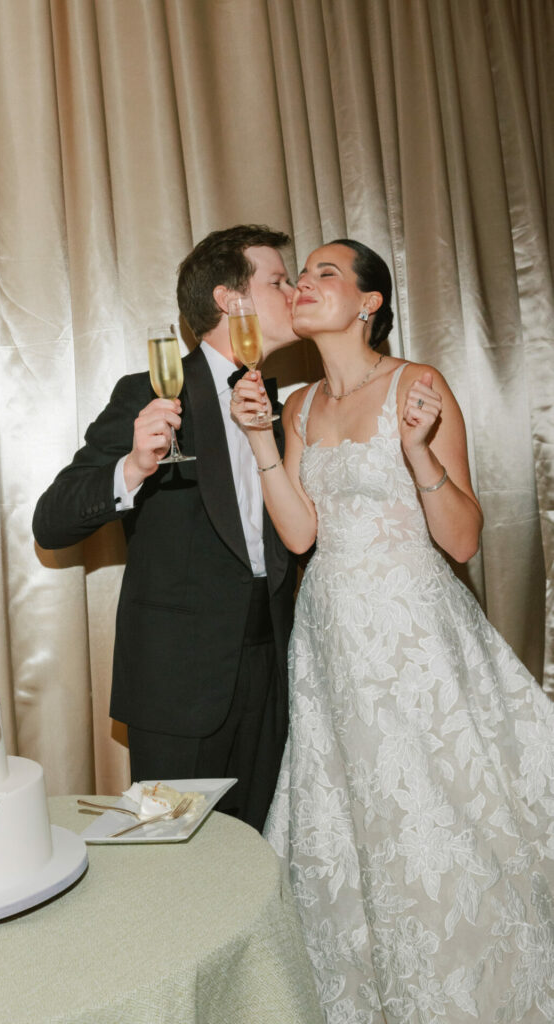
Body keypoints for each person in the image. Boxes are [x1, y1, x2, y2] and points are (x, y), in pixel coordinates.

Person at [232, 239, 554, 1022]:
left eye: (325, 275)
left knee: (439, 805)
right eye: (299, 276)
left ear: (369, 303)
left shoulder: (418, 383)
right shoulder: (299, 403)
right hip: (331, 638)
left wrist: (415, 453)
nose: (303, 284)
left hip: (414, 632)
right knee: (356, 809)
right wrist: (258, 441)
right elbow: (302, 535)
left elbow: (462, 540)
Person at [33, 224, 300, 831]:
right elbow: (50, 523)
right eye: (279, 281)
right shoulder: (148, 395)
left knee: (259, 853)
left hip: (275, 674)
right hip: (180, 685)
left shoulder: (290, 409)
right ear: (231, 301)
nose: (294, 291)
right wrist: (131, 467)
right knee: (176, 865)